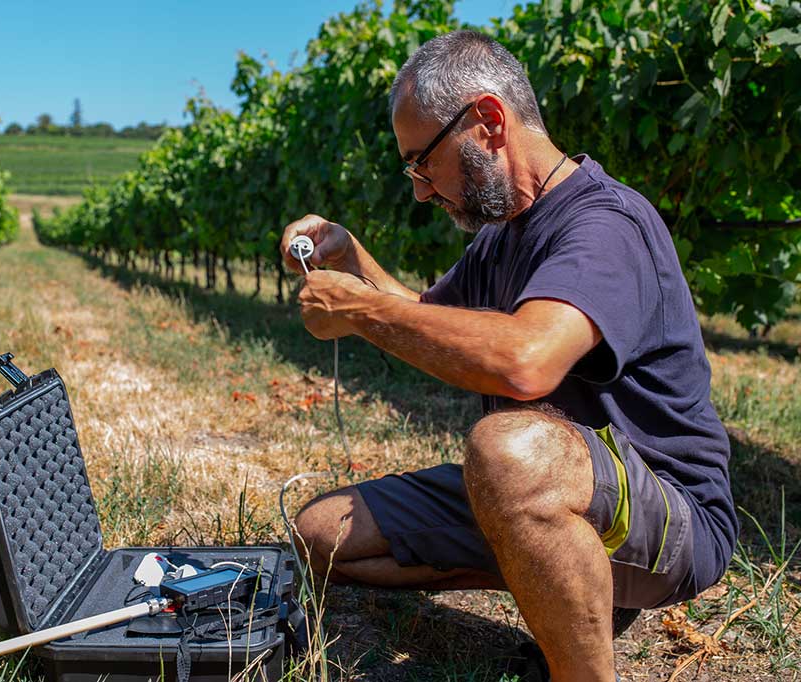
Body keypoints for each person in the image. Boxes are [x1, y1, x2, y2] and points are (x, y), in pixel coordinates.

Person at [279, 30, 738, 682]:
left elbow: (525, 363)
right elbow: (427, 315)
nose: (420, 190)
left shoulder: (606, 224)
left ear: (489, 121)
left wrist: (362, 312)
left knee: (505, 451)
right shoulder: (504, 236)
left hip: (672, 520)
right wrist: (349, 257)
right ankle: (557, 570)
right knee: (321, 535)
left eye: (422, 162)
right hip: (552, 486)